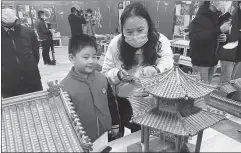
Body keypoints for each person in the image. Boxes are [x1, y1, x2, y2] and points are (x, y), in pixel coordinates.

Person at [101, 3, 174, 136]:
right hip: (124, 98)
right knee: (122, 129)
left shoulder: (160, 41)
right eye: (129, 32)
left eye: (140, 30)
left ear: (149, 26)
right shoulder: (116, 44)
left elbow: (168, 64)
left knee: (147, 132)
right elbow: (105, 72)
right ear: (122, 29)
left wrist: (156, 70)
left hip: (150, 100)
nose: (135, 36)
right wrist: (117, 74)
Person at [60, 34, 120, 142]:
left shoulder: (102, 79)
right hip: (82, 140)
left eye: (95, 56)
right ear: (72, 58)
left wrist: (115, 123)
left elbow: (111, 102)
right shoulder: (65, 87)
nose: (92, 61)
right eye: (86, 57)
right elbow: (64, 119)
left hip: (106, 135)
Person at [2, 8, 43, 98]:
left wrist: (30, 65)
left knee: (36, 102)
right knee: (14, 108)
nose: (8, 27)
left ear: (16, 20)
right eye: (4, 25)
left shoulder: (28, 32)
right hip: (8, 80)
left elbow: (36, 53)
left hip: (31, 77)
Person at [189, 1, 231, 83]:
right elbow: (195, 38)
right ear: (212, 2)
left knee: (207, 91)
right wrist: (219, 30)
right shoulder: (200, 18)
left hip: (212, 62)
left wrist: (229, 14)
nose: (222, 2)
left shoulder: (214, 17)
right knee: (200, 92)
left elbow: (214, 29)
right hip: (201, 63)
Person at [219, 1, 241, 84]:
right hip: (228, 53)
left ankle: (226, 96)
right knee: (225, 81)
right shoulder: (232, 18)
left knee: (232, 82)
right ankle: (220, 96)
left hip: (238, 54)